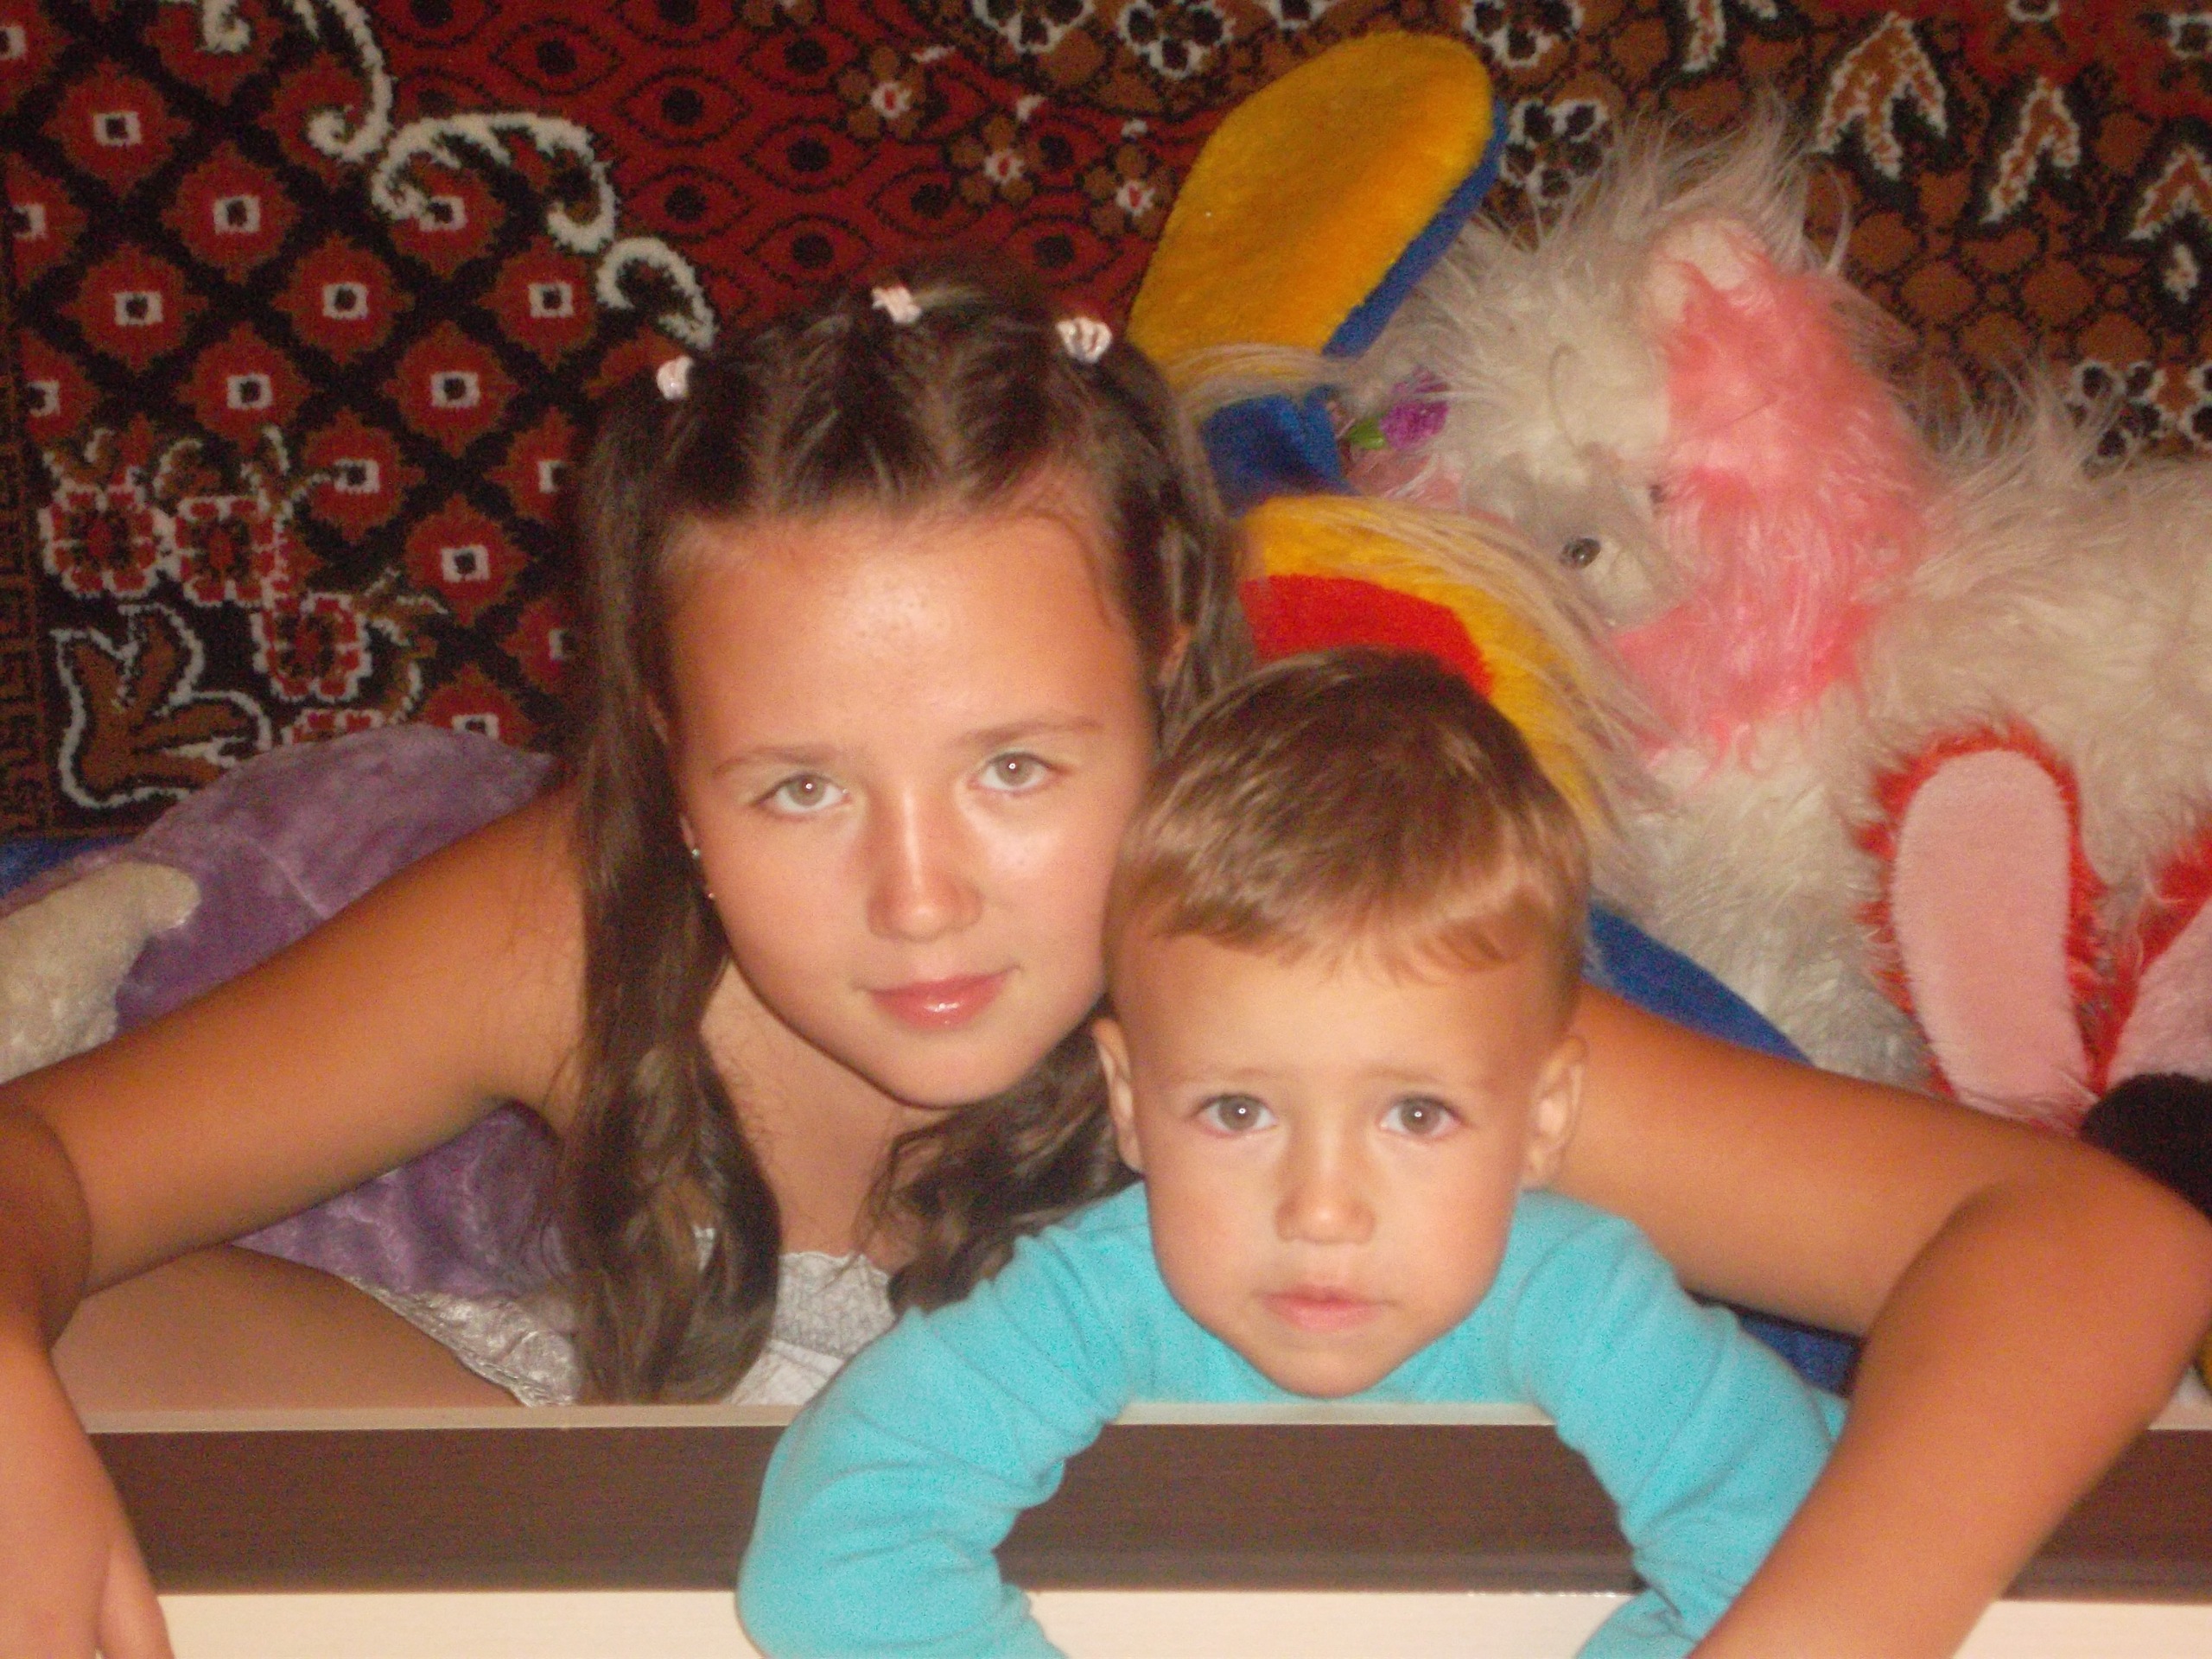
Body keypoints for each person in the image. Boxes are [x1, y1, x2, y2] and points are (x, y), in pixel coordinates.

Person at [0, 265, 2207, 1659]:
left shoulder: (1321, 1001)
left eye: (1016, 768)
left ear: (1165, 676)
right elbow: (56, 1174)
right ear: (664, 762)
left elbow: (2085, 1243)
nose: (919, 898)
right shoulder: (568, 925)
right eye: (799, 787)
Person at [741, 647, 1847, 1658]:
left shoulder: (1587, 1307)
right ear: (1130, 1102)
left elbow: (1808, 1565)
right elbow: (836, 1553)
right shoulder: (1096, 1297)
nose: (1321, 1211)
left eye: (1415, 1116)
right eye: (1237, 1113)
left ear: (1544, 1118)